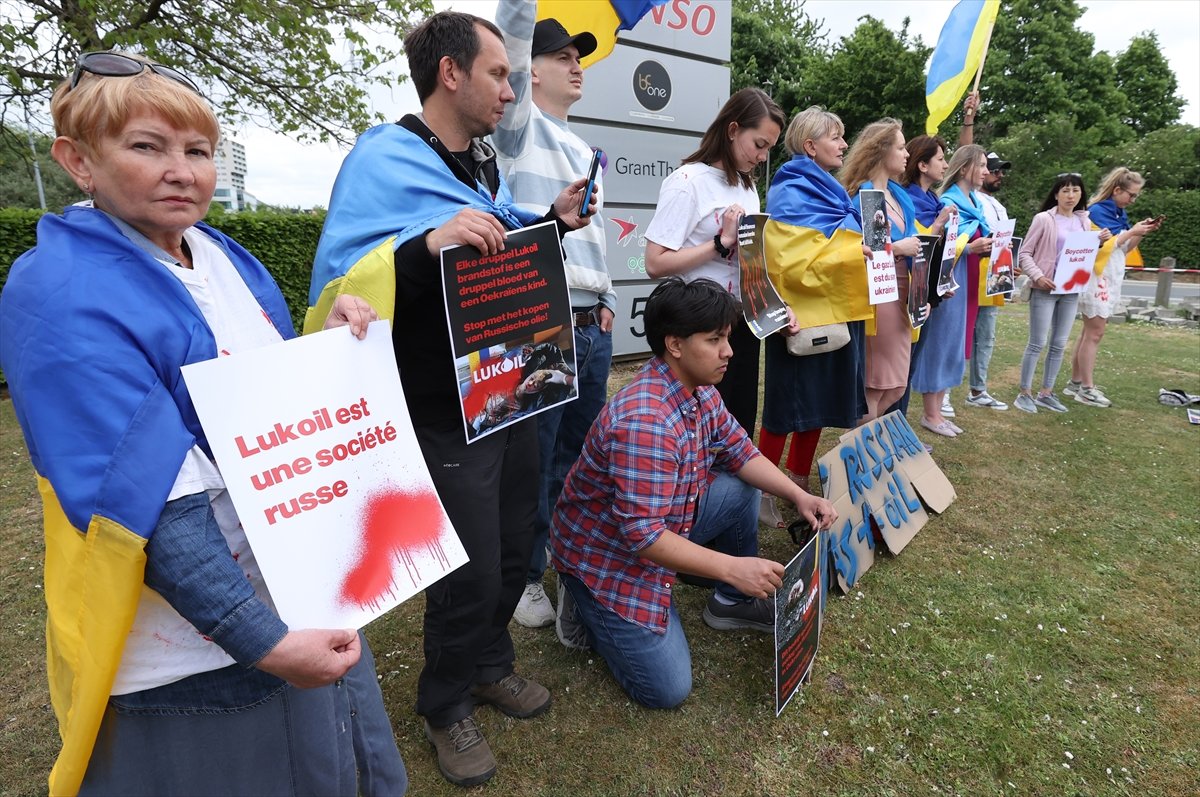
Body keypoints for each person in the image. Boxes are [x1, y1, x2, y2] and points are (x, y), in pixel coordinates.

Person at [0, 52, 406, 795]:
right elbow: (152, 504)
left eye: (198, 151)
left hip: (294, 589)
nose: (181, 171)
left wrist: (328, 339)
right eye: (147, 147)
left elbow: (258, 397)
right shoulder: (60, 291)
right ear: (77, 160)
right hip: (196, 647)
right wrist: (267, 641)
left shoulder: (218, 252)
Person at [307, 11, 596, 787]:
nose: (512, 89)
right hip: (441, 403)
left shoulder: (484, 167)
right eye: (500, 74)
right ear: (452, 74)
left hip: (509, 389)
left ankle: (490, 661)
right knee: (464, 564)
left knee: (513, 543)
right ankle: (444, 702)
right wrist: (421, 246)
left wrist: (553, 226)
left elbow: (491, 254)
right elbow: (344, 273)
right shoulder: (384, 157)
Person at [550, 277, 837, 709]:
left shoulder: (699, 389)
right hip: (608, 554)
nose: (729, 351)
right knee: (667, 689)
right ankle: (579, 596)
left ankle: (731, 604)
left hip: (658, 526)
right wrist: (731, 567)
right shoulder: (645, 422)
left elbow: (741, 452)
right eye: (715, 339)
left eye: (727, 337)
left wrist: (798, 496)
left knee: (741, 485)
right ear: (675, 345)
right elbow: (643, 537)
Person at [491, 1, 616, 629]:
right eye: (561, 57)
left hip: (592, 324)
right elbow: (508, 47)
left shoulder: (585, 147)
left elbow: (596, 240)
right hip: (541, 318)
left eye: (579, 58)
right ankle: (524, 576)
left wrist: (611, 302)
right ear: (529, 73)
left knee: (580, 456)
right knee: (534, 462)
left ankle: (569, 561)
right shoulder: (516, 129)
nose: (576, 67)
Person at [644, 87, 787, 440]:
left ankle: (735, 496)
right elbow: (655, 262)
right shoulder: (687, 182)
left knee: (736, 428)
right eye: (759, 144)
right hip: (699, 327)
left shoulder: (748, 188)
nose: (763, 156)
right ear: (733, 129)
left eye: (770, 148)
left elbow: (749, 263)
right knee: (697, 432)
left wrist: (776, 310)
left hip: (742, 322)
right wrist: (719, 244)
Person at [759, 106, 870, 503]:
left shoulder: (830, 188)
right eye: (835, 137)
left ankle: (798, 481)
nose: (843, 145)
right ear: (810, 145)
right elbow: (788, 262)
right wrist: (857, 251)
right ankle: (764, 492)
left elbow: (834, 244)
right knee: (786, 407)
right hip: (799, 317)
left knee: (819, 404)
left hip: (837, 311)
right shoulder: (790, 188)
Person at [840, 119, 926, 422]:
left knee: (896, 386)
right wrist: (899, 249)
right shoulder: (865, 197)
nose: (907, 154)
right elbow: (865, 254)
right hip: (879, 295)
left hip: (903, 295)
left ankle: (865, 449)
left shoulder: (899, 196)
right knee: (877, 386)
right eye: (901, 147)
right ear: (880, 151)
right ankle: (861, 456)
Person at [1013, 173, 1113, 414]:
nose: (1071, 196)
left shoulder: (1083, 222)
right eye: (1066, 190)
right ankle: (1024, 393)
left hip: (1071, 289)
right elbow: (1025, 253)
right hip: (1046, 288)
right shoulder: (1044, 219)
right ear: (1056, 193)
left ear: (1082, 195)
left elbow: (1082, 254)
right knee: (1037, 342)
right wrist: (1038, 276)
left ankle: (1046, 392)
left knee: (1059, 344)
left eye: (1076, 191)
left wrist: (1098, 243)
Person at [911, 144, 992, 437]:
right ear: (965, 166)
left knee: (955, 343)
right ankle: (931, 413)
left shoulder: (976, 204)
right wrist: (970, 248)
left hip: (967, 281)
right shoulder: (948, 200)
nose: (985, 171)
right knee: (940, 343)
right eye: (981, 165)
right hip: (949, 278)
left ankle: (938, 409)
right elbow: (942, 245)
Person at [1066, 167, 1161, 406]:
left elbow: (1125, 248)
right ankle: (1087, 388)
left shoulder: (1119, 214)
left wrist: (1141, 232)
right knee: (1095, 332)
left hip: (1109, 275)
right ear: (1117, 190)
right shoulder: (1097, 211)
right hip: (1096, 277)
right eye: (1131, 195)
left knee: (1089, 332)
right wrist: (1131, 231)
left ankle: (1076, 383)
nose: (1133, 200)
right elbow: (1102, 245)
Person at [891, 134, 958, 421]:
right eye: (941, 159)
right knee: (899, 370)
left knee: (911, 366)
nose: (945, 165)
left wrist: (943, 282)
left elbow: (937, 253)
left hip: (928, 295)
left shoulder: (934, 199)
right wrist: (939, 223)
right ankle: (893, 431)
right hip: (907, 293)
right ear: (922, 165)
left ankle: (900, 431)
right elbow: (915, 246)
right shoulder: (907, 200)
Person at [960, 151, 1013, 411]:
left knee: (987, 335)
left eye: (1001, 171)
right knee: (962, 332)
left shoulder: (999, 206)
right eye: (993, 170)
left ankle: (978, 389)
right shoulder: (971, 199)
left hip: (996, 276)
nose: (997, 175)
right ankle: (945, 391)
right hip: (973, 273)